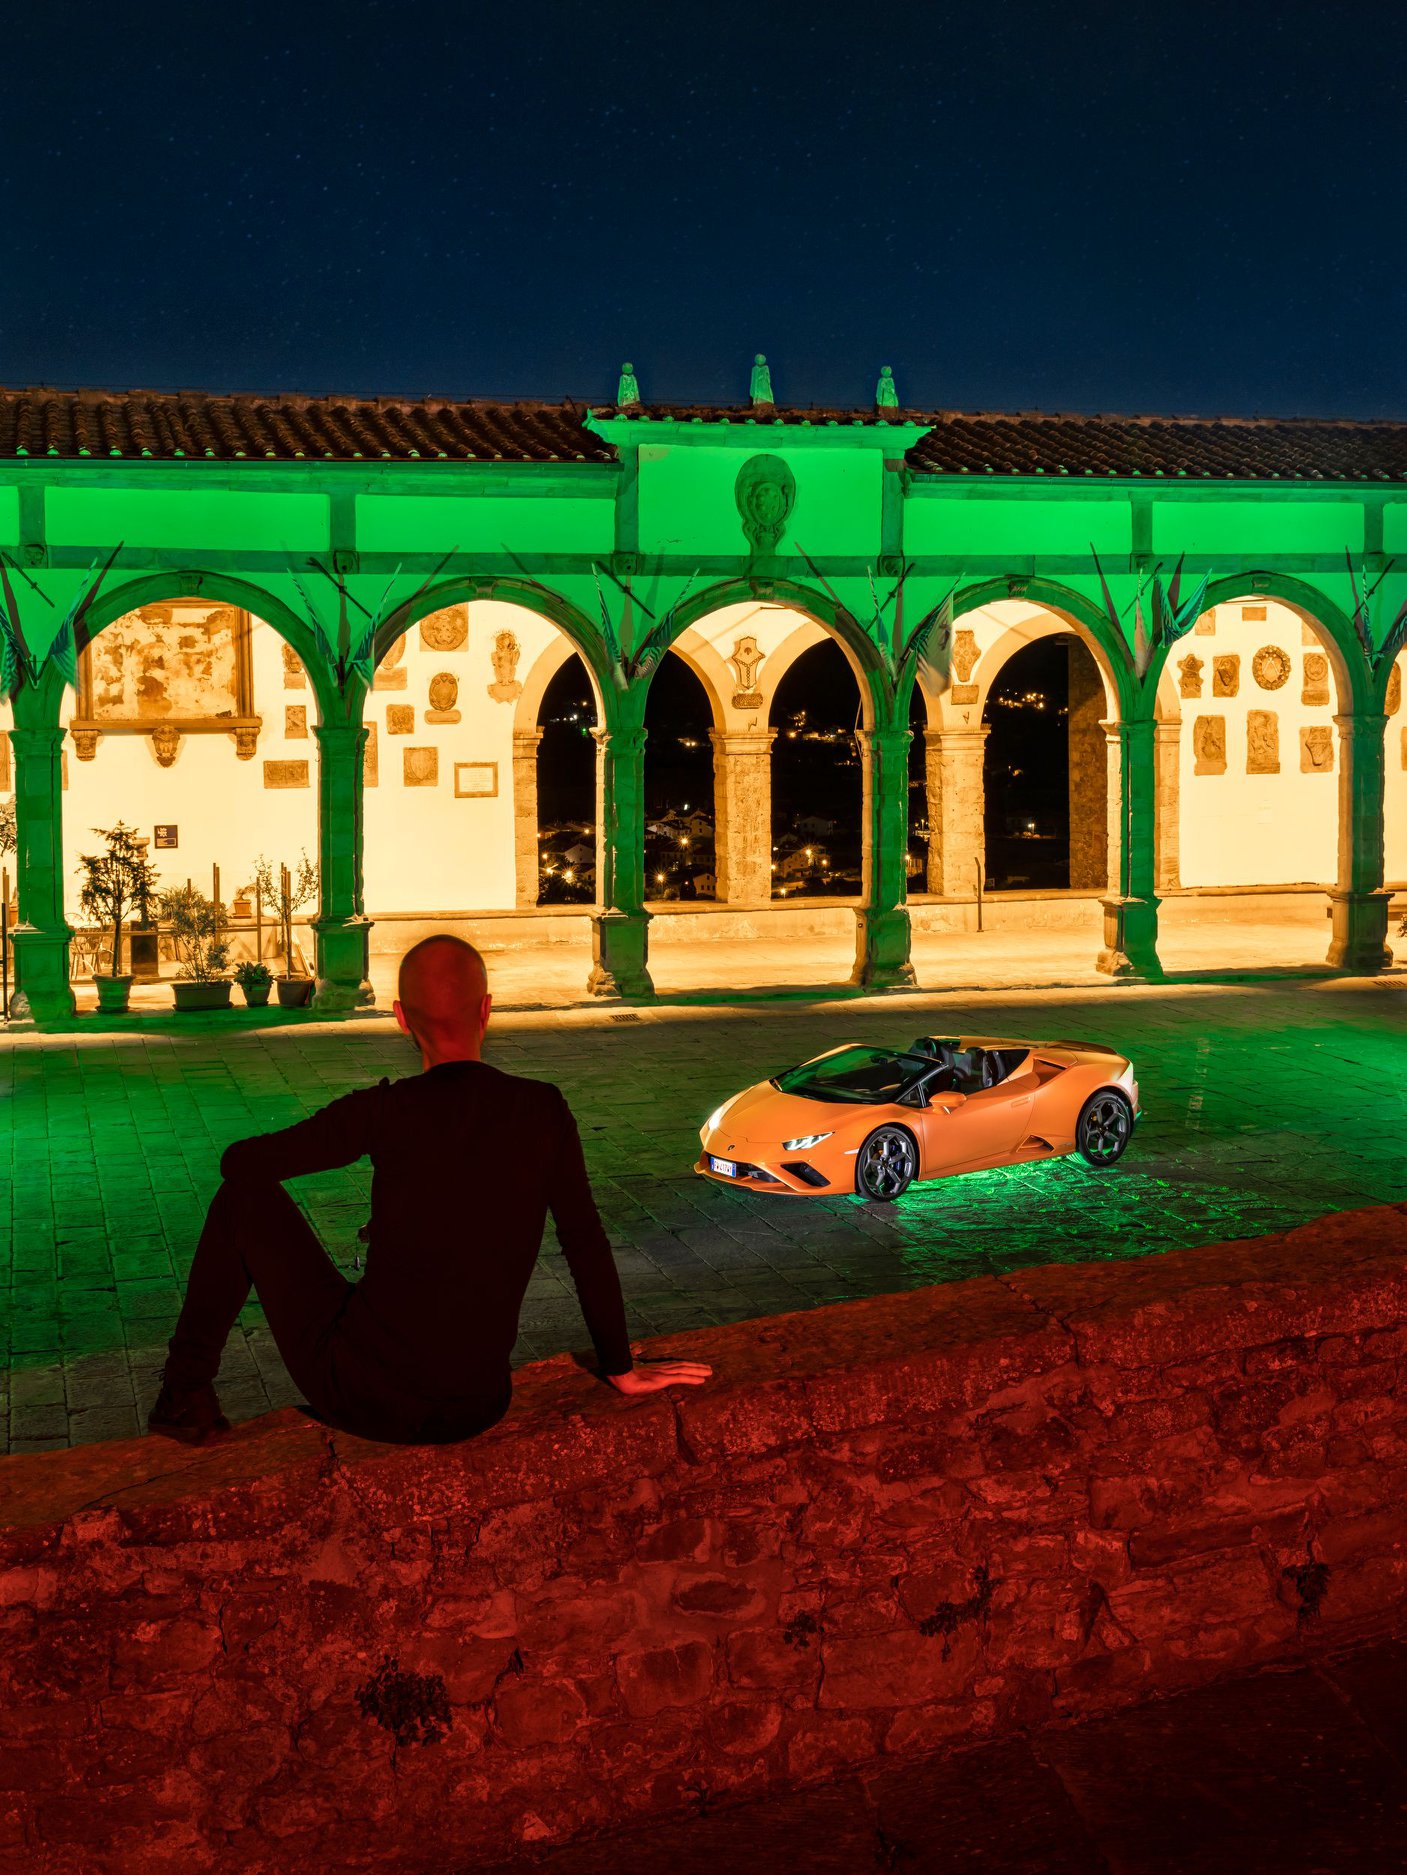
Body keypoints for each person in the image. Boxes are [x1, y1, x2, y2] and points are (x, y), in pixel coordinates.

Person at [148, 935, 711, 1445]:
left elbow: (240, 1165)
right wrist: (621, 1366)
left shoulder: (383, 1111)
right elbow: (584, 1243)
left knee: (244, 1201)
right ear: (487, 1010)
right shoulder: (544, 1109)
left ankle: (184, 1395)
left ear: (400, 1019)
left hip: (364, 1395)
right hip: (477, 1404)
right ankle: (185, 1395)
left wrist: (361, 1136)